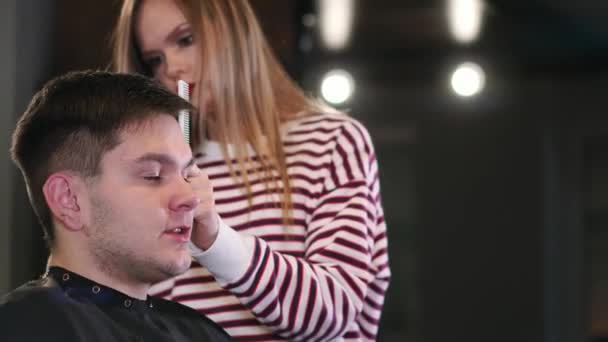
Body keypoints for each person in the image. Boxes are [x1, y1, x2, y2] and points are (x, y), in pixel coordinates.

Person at [113, 0, 391, 340]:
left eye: (185, 39)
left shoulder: (331, 142)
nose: (171, 69)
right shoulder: (163, 176)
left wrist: (216, 240)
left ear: (234, 30)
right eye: (154, 60)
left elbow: (331, 313)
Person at [0, 70, 234, 342]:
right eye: (153, 176)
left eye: (186, 174)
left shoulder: (202, 332)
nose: (191, 197)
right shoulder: (20, 328)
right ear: (69, 200)